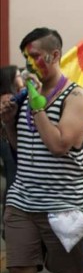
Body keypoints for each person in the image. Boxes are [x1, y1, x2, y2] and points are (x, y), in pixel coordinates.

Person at [0, 28, 83, 273]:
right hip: (22, 201)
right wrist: (9, 122)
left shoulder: (75, 97)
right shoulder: (25, 97)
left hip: (65, 207)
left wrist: (37, 108)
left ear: (54, 55)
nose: (29, 64)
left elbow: (59, 145)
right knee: (20, 272)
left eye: (34, 56)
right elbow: (23, 149)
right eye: (25, 58)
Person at [1, 65, 25, 210]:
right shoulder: (9, 97)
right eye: (18, 76)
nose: (21, 78)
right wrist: (23, 87)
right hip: (7, 141)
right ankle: (9, 211)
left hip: (7, 139)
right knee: (13, 176)